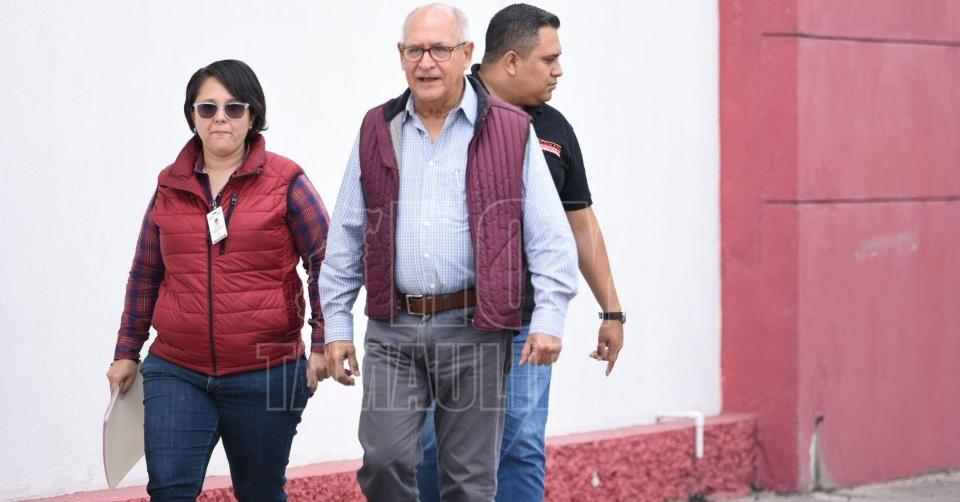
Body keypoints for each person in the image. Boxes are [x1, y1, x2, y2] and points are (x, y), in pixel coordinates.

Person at [318, 3, 578, 501]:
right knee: (385, 459)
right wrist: (337, 325)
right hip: (394, 328)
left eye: (439, 49)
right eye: (414, 50)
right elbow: (348, 232)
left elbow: (549, 235)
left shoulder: (511, 129)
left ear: (466, 53)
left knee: (468, 481)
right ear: (400, 56)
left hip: (474, 328)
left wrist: (549, 317)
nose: (426, 62)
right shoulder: (377, 128)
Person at [416, 4, 626, 501]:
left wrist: (612, 310)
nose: (559, 70)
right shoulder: (444, 111)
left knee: (521, 446)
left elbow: (581, 224)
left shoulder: (553, 129)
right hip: (447, 320)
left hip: (525, 324)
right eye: (549, 59)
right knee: (430, 446)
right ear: (511, 61)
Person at [105, 59, 330, 501]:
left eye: (234, 107)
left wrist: (323, 340)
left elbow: (326, 262)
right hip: (177, 369)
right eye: (207, 108)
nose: (220, 118)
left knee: (259, 491)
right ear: (193, 116)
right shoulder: (169, 186)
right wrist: (126, 352)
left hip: (267, 370)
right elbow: (146, 273)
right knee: (169, 489)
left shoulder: (287, 182)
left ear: (253, 115)